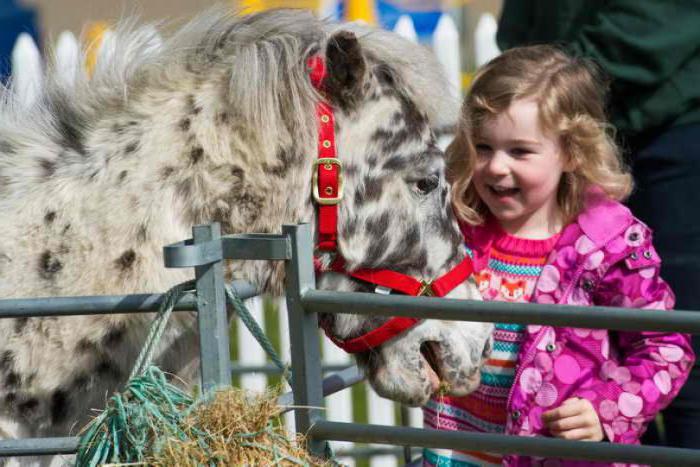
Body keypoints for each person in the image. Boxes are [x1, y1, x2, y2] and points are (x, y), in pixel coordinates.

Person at [423, 45, 695, 466]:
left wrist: (605, 410)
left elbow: (665, 347)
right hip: (459, 451)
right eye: (483, 147)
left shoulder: (607, 244)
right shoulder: (457, 228)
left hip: (562, 457)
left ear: (570, 152)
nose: (496, 167)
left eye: (519, 151)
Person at [495, 1, 700, 448]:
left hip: (671, 128)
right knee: (563, 330)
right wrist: (529, 84)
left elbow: (659, 23)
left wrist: (552, 86)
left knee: (685, 356)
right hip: (557, 124)